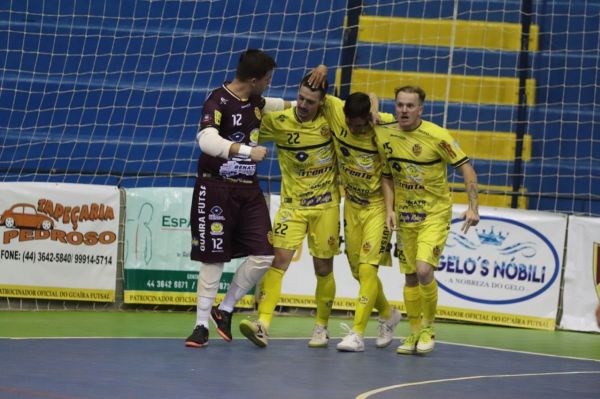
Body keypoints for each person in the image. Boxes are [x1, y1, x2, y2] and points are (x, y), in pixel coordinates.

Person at [185, 49, 326, 348]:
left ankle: (224, 309)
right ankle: (200, 326)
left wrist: (311, 102)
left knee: (264, 254)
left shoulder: (258, 101)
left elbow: (286, 104)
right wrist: (249, 152)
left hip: (248, 189)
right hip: (216, 188)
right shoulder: (218, 100)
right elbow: (206, 141)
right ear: (253, 79)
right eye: (267, 79)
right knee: (214, 258)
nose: (268, 84)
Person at [374, 85, 480, 355]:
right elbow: (387, 175)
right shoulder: (386, 132)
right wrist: (390, 209)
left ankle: (429, 328)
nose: (404, 110)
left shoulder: (437, 136)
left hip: (434, 214)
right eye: (399, 105)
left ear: (420, 109)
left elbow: (466, 169)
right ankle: (413, 332)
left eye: (410, 106)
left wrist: (472, 207)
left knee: (423, 270)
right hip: (405, 217)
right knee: (410, 277)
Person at [239, 72, 339, 348]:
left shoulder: (332, 120)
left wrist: (322, 67)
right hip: (292, 206)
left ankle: (321, 327)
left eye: (310, 102)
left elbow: (366, 103)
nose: (304, 105)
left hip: (326, 207)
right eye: (300, 98)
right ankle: (263, 324)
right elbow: (250, 117)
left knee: (323, 268)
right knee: (277, 261)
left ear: (322, 102)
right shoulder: (280, 122)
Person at [320, 92, 402, 352]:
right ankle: (389, 314)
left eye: (360, 125)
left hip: (378, 207)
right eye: (350, 125)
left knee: (368, 269)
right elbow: (369, 94)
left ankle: (357, 334)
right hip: (351, 206)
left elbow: (377, 100)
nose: (355, 130)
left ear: (368, 118)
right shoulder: (336, 110)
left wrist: (376, 109)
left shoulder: (384, 122)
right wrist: (321, 69)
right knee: (358, 272)